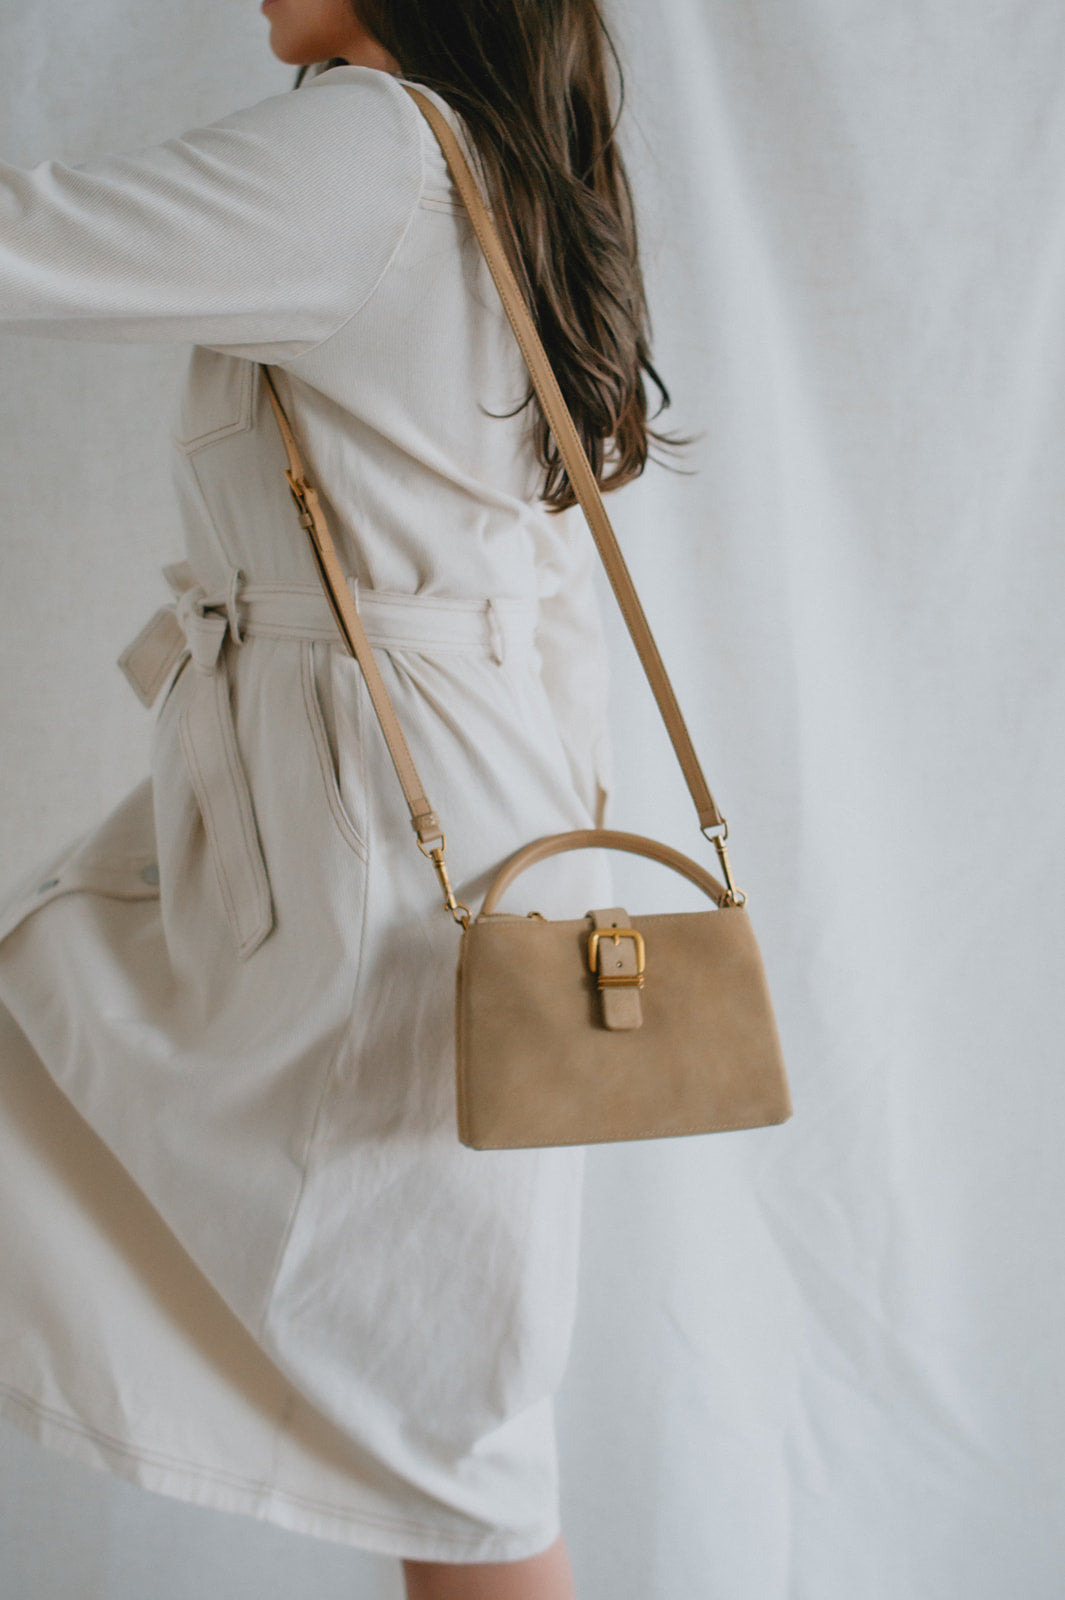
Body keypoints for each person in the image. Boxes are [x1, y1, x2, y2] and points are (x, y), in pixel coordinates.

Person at [0, 3, 686, 1596]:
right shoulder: (482, 159)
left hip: (385, 830)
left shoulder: (375, 150)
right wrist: (569, 862)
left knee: (452, 1440)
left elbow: (33, 238)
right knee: (447, 1412)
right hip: (447, 808)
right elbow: (545, 575)